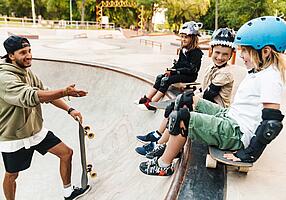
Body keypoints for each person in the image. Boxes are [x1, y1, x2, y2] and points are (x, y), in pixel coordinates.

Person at [138, 16, 286, 176]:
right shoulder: (260, 70)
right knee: (185, 100)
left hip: (237, 133)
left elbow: (271, 124)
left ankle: (163, 165)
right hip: (230, 117)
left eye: (245, 51)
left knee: (182, 118)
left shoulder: (271, 78)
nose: (241, 55)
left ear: (265, 51)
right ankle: (164, 145)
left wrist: (249, 153)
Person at [0, 35, 90, 199]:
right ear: (11, 56)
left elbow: (45, 92)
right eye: (23, 52)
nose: (28, 55)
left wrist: (70, 110)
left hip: (35, 130)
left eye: (29, 51)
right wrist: (64, 91)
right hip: (13, 136)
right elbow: (32, 96)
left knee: (66, 153)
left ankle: (68, 192)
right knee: (12, 175)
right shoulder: (4, 78)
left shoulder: (27, 72)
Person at [135, 28, 240, 157]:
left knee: (179, 112)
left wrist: (188, 98)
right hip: (206, 103)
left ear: (231, 55)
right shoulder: (210, 67)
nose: (220, 57)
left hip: (217, 110)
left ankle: (160, 144)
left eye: (225, 54)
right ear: (211, 51)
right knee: (175, 105)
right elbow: (203, 89)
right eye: (217, 52)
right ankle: (158, 135)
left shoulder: (226, 73)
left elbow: (208, 95)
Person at [136, 21, 204, 111]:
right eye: (182, 37)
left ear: (193, 38)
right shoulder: (183, 50)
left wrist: (174, 72)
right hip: (181, 73)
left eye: (186, 37)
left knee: (166, 80)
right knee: (161, 77)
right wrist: (170, 70)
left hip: (190, 76)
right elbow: (179, 64)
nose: (183, 39)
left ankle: (152, 103)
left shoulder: (196, 52)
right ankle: (147, 98)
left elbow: (191, 69)